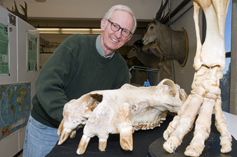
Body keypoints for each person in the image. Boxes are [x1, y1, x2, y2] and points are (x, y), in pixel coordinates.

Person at [23, 4, 137, 157]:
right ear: (103, 24)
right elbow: (47, 85)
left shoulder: (121, 68)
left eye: (125, 31)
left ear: (128, 38)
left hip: (83, 133)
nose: (118, 34)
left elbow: (117, 106)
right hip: (47, 128)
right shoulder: (76, 45)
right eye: (115, 25)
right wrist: (73, 118)